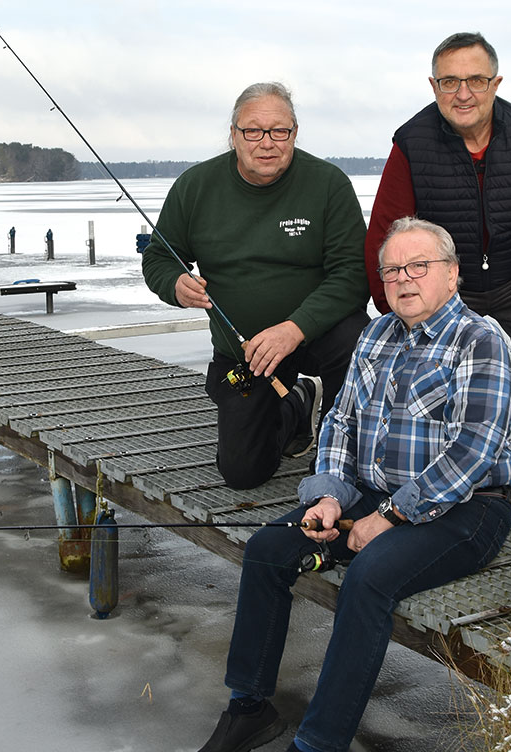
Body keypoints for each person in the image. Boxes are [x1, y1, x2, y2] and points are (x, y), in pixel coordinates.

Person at [180, 217, 511, 752]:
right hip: (371, 493)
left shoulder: (481, 339)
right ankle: (249, 706)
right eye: (393, 269)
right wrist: (331, 498)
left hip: (468, 509)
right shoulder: (379, 334)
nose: (404, 279)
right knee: (267, 548)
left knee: (369, 581)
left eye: (419, 266)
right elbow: (338, 422)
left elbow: (473, 451)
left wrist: (387, 518)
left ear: (451, 273)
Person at [365, 32, 511, 515]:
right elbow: (385, 238)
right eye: (450, 81)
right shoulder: (411, 144)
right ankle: (433, 475)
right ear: (434, 86)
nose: (463, 93)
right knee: (429, 370)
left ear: (495, 83)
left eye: (475, 79)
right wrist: (398, 305)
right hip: (448, 289)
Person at [143, 82, 370, 489]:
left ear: (294, 134)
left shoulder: (328, 184)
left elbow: (353, 274)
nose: (266, 143)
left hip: (317, 336)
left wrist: (294, 328)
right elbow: (158, 257)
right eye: (253, 131)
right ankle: (297, 406)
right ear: (233, 135)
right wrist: (176, 285)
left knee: (356, 338)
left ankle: (344, 446)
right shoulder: (195, 187)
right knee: (243, 473)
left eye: (278, 131)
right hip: (245, 351)